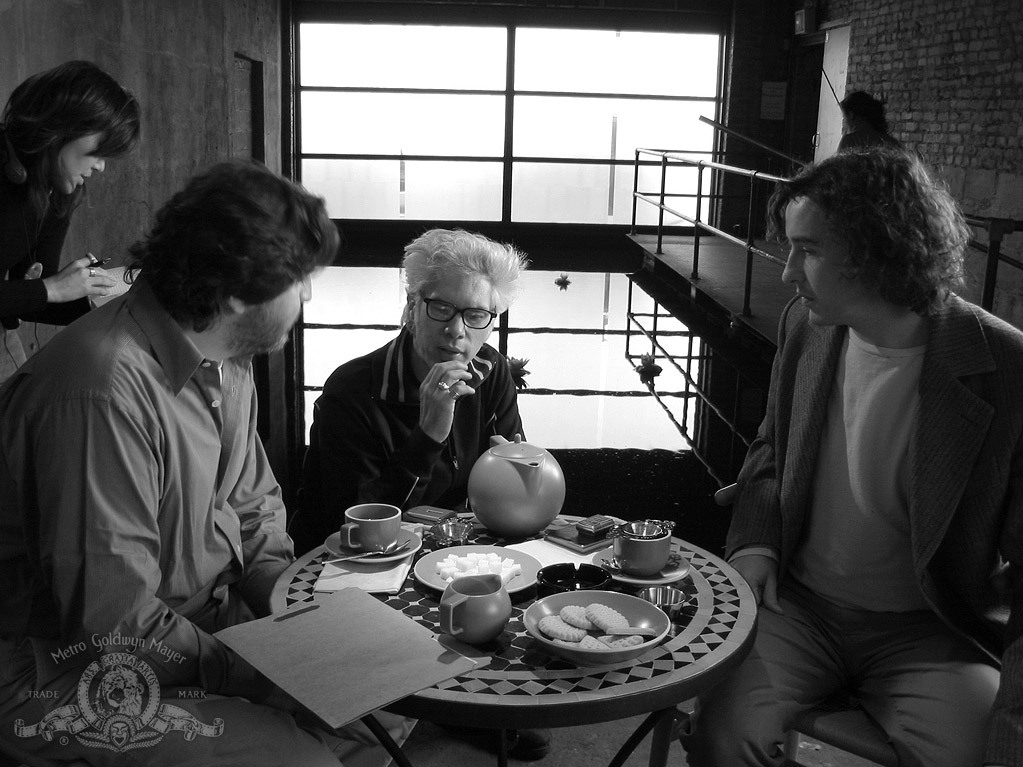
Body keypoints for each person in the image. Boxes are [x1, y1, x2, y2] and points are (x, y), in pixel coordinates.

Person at [0, 160, 410, 766]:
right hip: (67, 672)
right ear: (240, 291)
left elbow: (253, 507)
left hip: (199, 621)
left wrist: (294, 612)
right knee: (303, 761)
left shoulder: (225, 353)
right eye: (300, 281)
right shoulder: (99, 392)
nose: (308, 295)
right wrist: (259, 671)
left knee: (386, 705)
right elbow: (114, 627)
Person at [683, 148, 1022, 767]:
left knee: (978, 757)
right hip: (799, 607)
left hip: (933, 631)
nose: (787, 274)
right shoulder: (806, 326)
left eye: (808, 251)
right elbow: (770, 446)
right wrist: (756, 544)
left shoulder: (1007, 369)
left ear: (881, 250)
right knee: (723, 739)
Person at [295, 228, 528, 553]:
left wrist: (519, 467)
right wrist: (429, 434)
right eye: (442, 308)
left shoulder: (492, 371)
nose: (456, 331)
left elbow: (513, 497)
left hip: (455, 553)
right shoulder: (352, 390)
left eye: (475, 315)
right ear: (412, 307)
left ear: (490, 323)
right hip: (350, 562)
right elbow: (355, 528)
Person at [0, 60, 141, 381]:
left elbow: (36, 298)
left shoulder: (58, 190)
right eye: (100, 151)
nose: (101, 167)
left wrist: (98, 296)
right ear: (62, 126)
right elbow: (42, 291)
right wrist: (45, 288)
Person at [836, 90, 901, 151]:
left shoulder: (849, 142)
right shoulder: (893, 144)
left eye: (844, 117)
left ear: (851, 115)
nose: (845, 122)